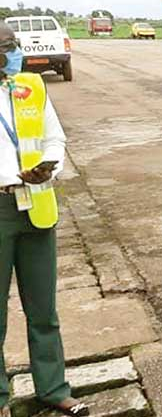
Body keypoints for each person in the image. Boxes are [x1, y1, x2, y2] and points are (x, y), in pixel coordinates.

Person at [0, 23, 89, 417]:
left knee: (43, 310)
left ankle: (53, 388)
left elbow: (55, 137)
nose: (15, 51)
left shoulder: (30, 86)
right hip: (1, 206)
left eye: (14, 44)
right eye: (7, 46)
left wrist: (47, 170)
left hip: (36, 205)